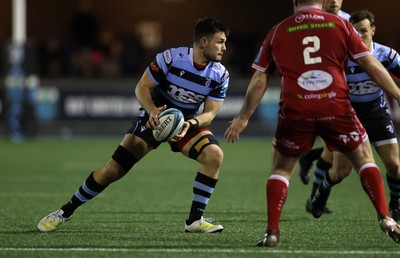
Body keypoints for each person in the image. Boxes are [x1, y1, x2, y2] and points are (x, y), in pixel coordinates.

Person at [225, 0, 400, 247]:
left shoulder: (278, 29)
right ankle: (385, 217)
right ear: (324, 2)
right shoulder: (340, 24)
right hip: (335, 105)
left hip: (296, 109)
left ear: (295, 2)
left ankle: (272, 232)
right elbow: (370, 63)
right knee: (363, 158)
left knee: (281, 169)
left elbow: (259, 78)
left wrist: (243, 117)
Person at [37, 17, 230, 233]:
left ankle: (195, 220)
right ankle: (65, 212)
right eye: (220, 42)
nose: (224, 47)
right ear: (204, 42)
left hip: (185, 124)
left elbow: (211, 112)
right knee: (111, 171)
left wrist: (189, 123)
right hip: (154, 119)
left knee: (215, 156)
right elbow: (141, 88)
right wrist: (152, 111)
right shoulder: (171, 58)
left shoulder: (220, 74)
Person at [301, 9, 400, 221]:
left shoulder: (386, 55)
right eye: (355, 32)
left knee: (395, 166)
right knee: (340, 173)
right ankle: (322, 191)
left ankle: (396, 204)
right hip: (348, 117)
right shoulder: (340, 57)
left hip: (376, 113)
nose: (360, 35)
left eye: (364, 31)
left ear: (373, 30)